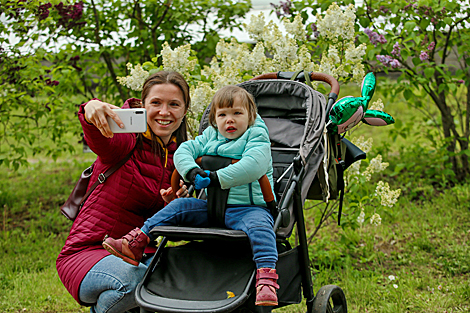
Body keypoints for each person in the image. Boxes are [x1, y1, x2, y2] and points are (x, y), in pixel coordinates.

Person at [103, 85, 279, 307]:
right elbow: (185, 150)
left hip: (249, 208)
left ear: (250, 116)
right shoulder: (211, 135)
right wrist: (191, 170)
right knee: (180, 206)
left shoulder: (257, 136)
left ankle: (266, 279)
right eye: (222, 115)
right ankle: (137, 241)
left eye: (237, 113)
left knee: (260, 227)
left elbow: (253, 166)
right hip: (212, 207)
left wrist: (216, 177)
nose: (229, 120)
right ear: (215, 119)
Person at [56, 71, 192, 313]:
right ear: (143, 105)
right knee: (136, 282)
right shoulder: (125, 141)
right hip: (89, 252)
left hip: (138, 254)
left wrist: (172, 205)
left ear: (184, 111)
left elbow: (168, 227)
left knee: (182, 277)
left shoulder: (179, 158)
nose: (164, 112)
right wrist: (91, 109)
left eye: (174, 104)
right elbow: (99, 136)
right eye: (156, 103)